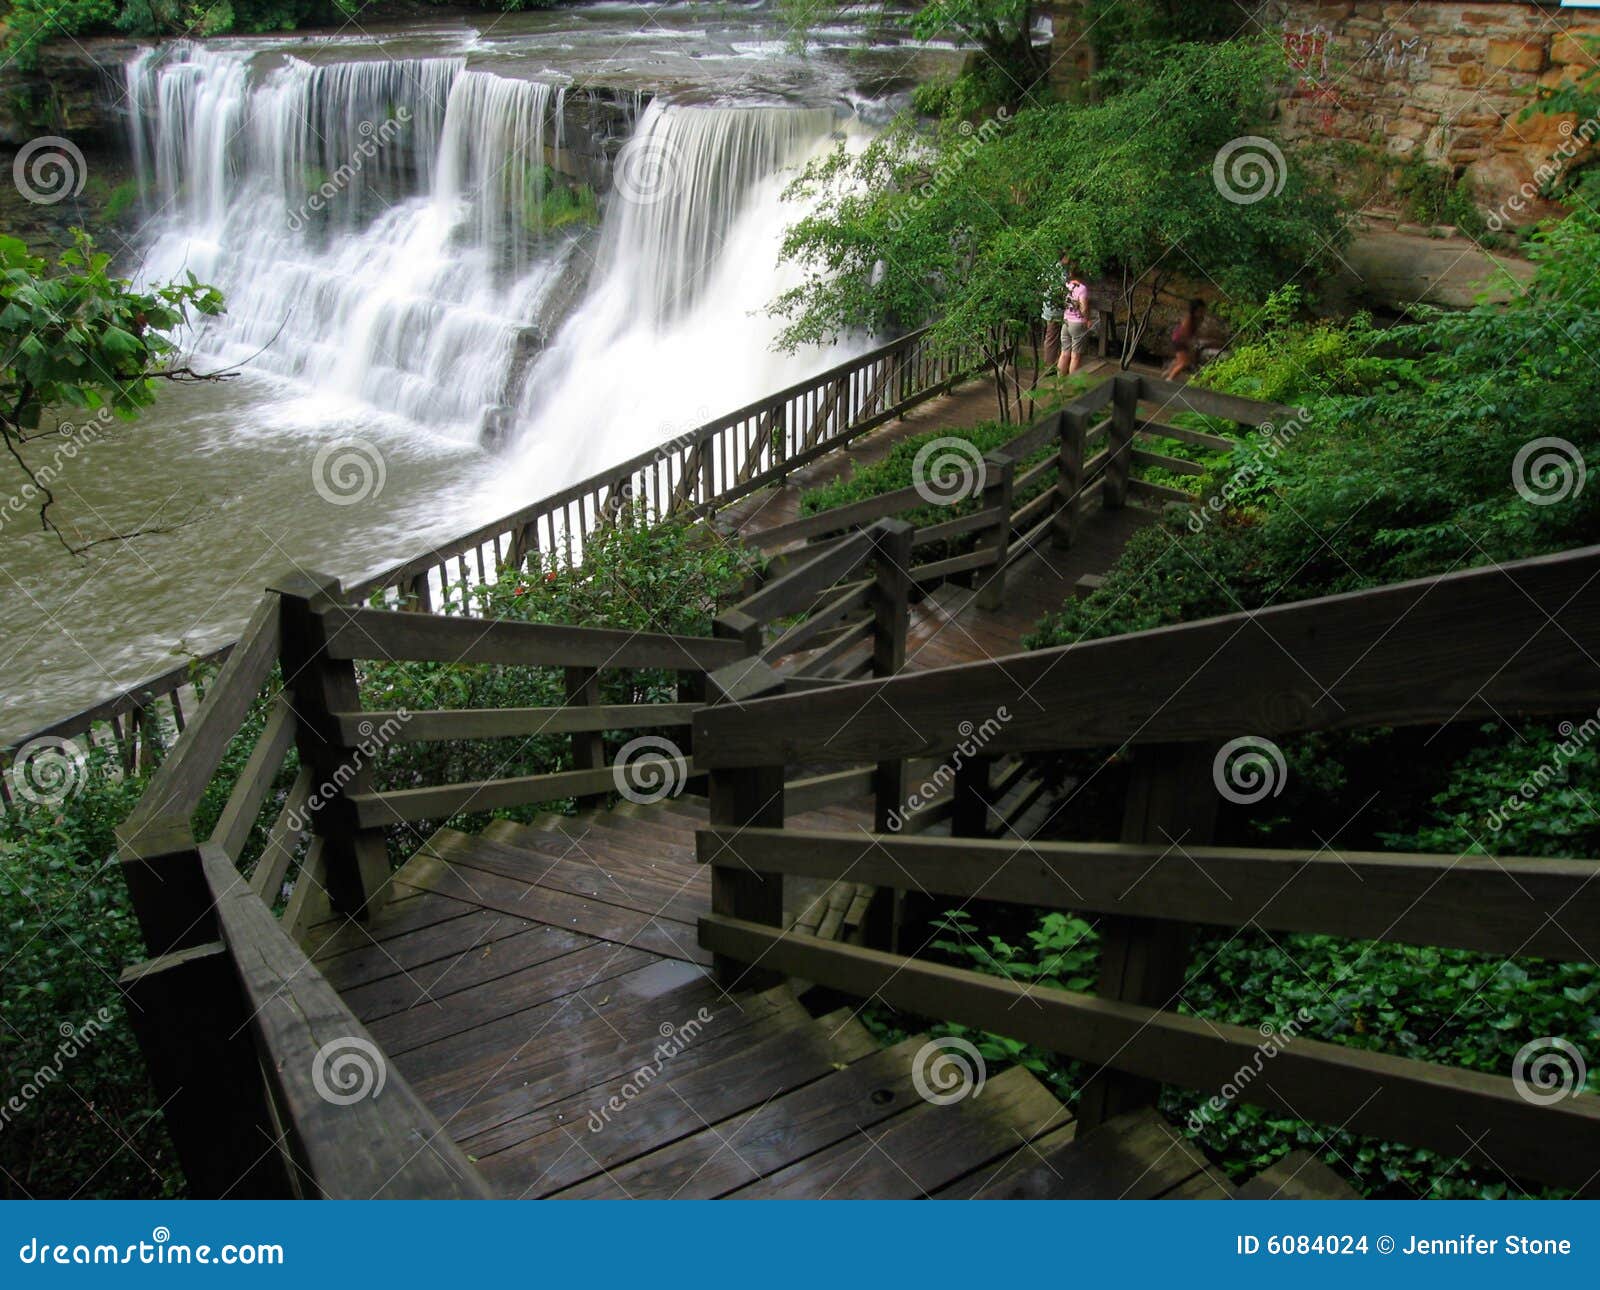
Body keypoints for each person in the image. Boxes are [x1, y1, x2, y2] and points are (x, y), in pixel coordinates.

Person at [1057, 265, 1091, 377]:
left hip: (1066, 321)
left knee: (1064, 353)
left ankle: (1059, 381)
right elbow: (1084, 308)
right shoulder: (1082, 288)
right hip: (1077, 323)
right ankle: (1072, 385)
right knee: (1075, 356)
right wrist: (1087, 320)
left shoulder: (1066, 286)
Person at [1039, 252, 1070, 369]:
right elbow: (1060, 290)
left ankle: (1052, 363)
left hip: (1049, 308)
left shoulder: (1049, 267)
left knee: (1053, 336)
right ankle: (1049, 365)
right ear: (1064, 257)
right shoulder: (1060, 271)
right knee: (1052, 336)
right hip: (1055, 310)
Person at [1164, 298, 1206, 381]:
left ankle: (1168, 372)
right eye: (1199, 311)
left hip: (1183, 340)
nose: (1202, 313)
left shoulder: (1199, 319)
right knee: (1184, 363)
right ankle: (1169, 379)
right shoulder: (1188, 320)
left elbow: (1195, 332)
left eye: (1203, 311)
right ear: (1193, 311)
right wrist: (1190, 346)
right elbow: (1184, 335)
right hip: (1179, 340)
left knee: (1182, 360)